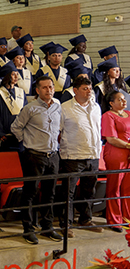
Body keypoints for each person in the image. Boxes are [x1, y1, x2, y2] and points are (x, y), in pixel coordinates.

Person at [10, 76, 63, 244]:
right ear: (38, 90)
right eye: (45, 88)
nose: (49, 90)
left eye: (51, 87)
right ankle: (28, 229)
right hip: (34, 155)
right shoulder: (30, 108)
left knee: (50, 193)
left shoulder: (58, 105)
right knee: (30, 193)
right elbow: (15, 127)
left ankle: (47, 227)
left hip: (53, 156)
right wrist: (27, 141)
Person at [58, 75, 103, 237]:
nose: (89, 91)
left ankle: (85, 219)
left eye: (90, 88)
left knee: (88, 190)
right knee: (68, 192)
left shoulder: (96, 106)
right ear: (75, 91)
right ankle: (66, 223)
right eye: (85, 89)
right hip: (73, 155)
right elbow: (58, 130)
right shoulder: (65, 107)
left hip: (93, 154)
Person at [102, 90, 130, 232]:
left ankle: (127, 218)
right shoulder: (108, 116)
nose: (124, 101)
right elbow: (111, 138)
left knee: (127, 188)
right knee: (115, 187)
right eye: (119, 99)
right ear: (111, 103)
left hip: (129, 153)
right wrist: (128, 145)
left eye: (124, 99)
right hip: (116, 153)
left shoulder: (129, 114)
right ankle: (114, 220)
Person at [0, 61, 27, 151]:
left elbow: (26, 111)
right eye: (13, 74)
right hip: (6, 132)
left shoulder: (21, 92)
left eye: (17, 74)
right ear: (7, 76)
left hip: (21, 131)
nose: (16, 77)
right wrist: (1, 133)